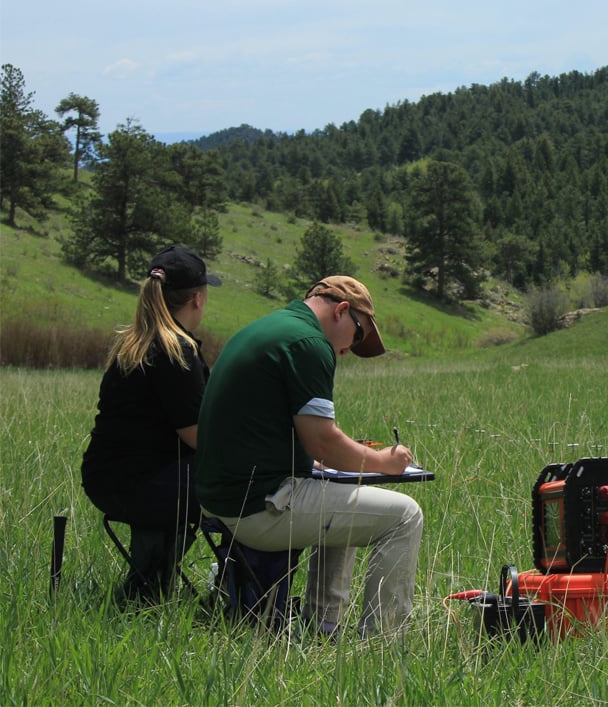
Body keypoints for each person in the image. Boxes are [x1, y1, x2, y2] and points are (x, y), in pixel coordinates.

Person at [195, 276, 423, 638]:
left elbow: (267, 427)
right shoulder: (309, 345)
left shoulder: (268, 327)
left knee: (349, 494)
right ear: (342, 310)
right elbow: (323, 442)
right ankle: (383, 642)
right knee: (406, 516)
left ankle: (324, 626)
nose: (349, 349)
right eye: (358, 335)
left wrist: (311, 460)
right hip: (255, 508)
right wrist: (385, 461)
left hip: (220, 499)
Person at [81, 246, 221, 603]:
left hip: (105, 480)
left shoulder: (133, 343)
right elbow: (196, 436)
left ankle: (150, 584)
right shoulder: (177, 351)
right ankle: (239, 588)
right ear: (197, 299)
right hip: (145, 485)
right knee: (244, 482)